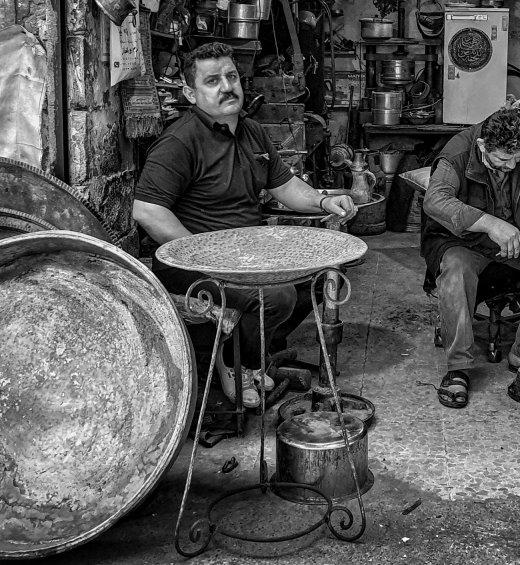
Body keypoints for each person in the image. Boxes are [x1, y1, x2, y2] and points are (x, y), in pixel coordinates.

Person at [133, 42, 357, 408]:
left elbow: (284, 186)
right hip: (191, 267)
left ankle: (249, 351)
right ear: (190, 93)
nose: (226, 87)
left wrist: (322, 200)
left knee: (319, 278)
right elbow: (146, 210)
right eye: (212, 81)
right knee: (276, 297)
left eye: (231, 76)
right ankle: (236, 364)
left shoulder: (252, 132)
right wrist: (201, 256)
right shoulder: (180, 141)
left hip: (247, 259)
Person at [422, 107, 520, 409]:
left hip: (516, 236)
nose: (512, 164)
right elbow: (435, 201)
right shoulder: (459, 152)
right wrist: (490, 224)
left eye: (517, 158)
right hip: (464, 239)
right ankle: (458, 368)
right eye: (503, 160)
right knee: (456, 269)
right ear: (482, 147)